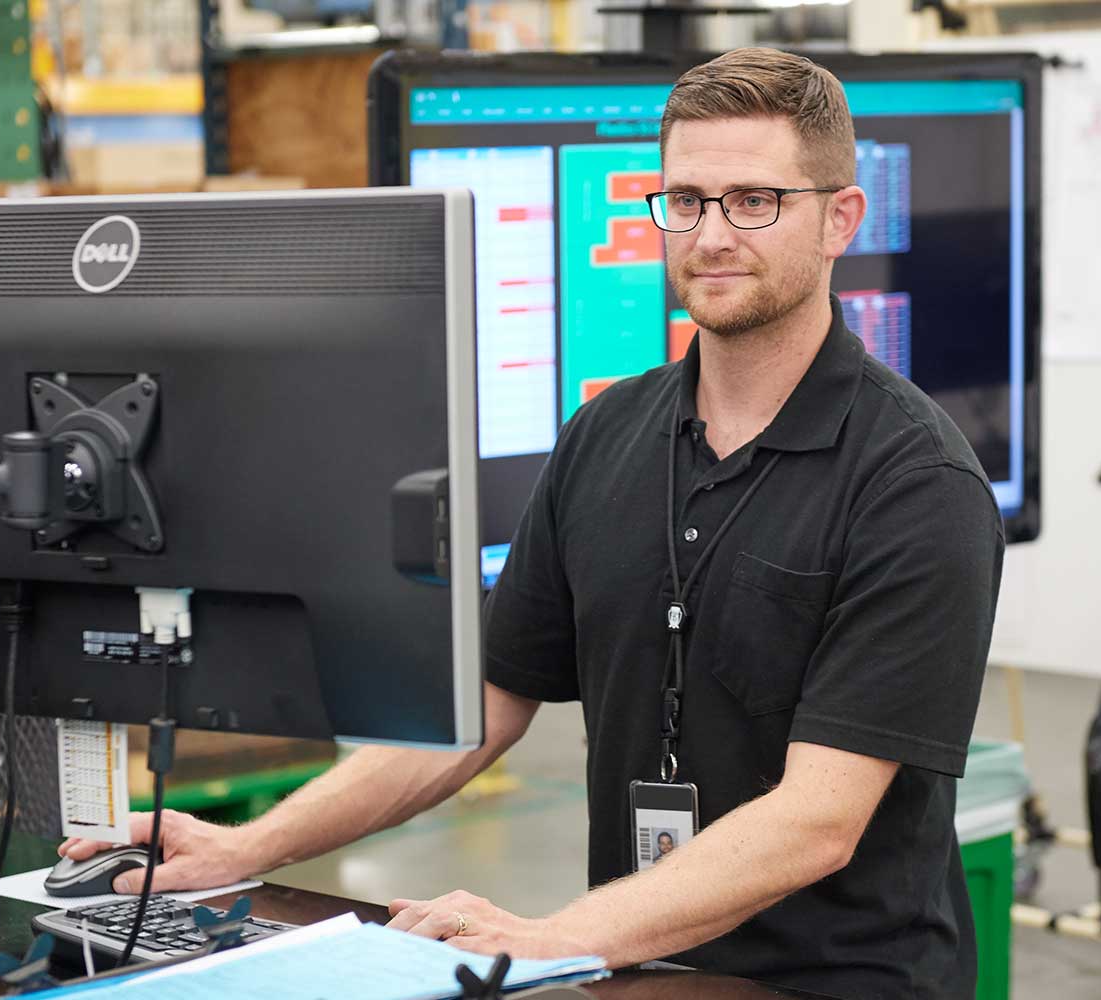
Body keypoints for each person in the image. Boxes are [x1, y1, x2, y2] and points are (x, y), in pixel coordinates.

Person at [59, 47, 1003, 999]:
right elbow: (481, 710)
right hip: (634, 966)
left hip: (837, 984)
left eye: (754, 200)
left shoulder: (915, 483)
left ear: (842, 217)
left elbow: (817, 819)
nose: (712, 234)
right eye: (685, 199)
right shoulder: (606, 435)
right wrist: (242, 848)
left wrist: (551, 938)